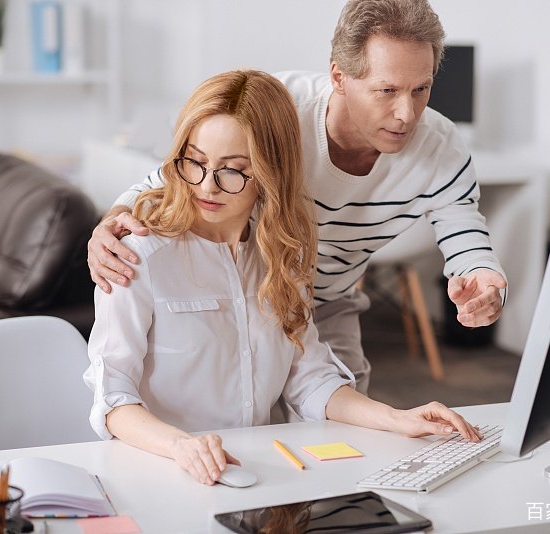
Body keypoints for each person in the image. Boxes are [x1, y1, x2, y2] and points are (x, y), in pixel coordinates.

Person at [83, 69, 482, 486]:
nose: (208, 186)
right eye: (195, 162)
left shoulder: (282, 258)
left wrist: (397, 418)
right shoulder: (136, 255)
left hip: (252, 472)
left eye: (234, 170)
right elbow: (112, 399)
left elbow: (310, 379)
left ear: (271, 173)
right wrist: (182, 446)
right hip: (157, 472)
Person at [86, 0, 507, 395]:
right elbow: (179, 174)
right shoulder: (278, 108)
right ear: (340, 77)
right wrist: (112, 222)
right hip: (248, 290)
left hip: (328, 300)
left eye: (421, 89)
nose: (406, 113)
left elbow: (465, 232)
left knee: (345, 410)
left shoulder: (441, 148)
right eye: (387, 91)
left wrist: (486, 281)